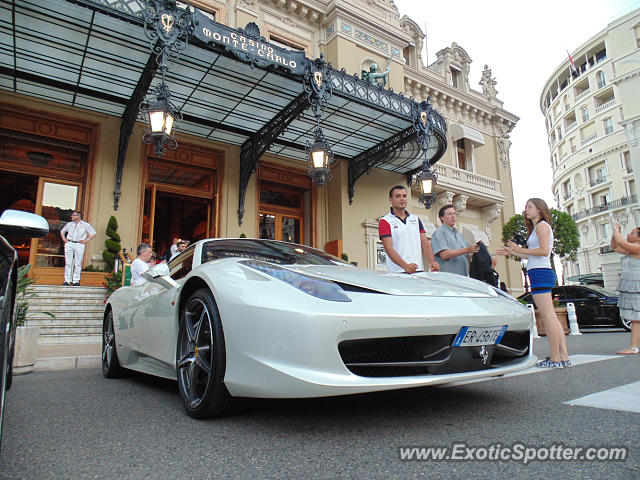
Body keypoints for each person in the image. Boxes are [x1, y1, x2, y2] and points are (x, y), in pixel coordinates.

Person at [497, 198, 571, 368]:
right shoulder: (538, 228)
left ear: (539, 209)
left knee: (548, 316)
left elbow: (544, 251)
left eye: (529, 207)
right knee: (551, 316)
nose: (526, 210)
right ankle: (563, 356)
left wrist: (518, 249)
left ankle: (555, 358)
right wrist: (512, 251)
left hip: (540, 273)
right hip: (540, 271)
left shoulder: (542, 227)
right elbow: (534, 255)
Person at [378, 185, 440, 274]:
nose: (402, 199)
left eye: (404, 196)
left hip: (418, 271)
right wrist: (405, 266)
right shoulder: (385, 221)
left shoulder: (415, 219)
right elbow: (388, 248)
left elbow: (424, 242)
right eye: (398, 196)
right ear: (390, 200)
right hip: (398, 272)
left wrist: (432, 262)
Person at [611, 223, 640, 354]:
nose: (629, 234)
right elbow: (615, 246)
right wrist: (614, 233)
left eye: (633, 233)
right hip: (632, 285)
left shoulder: (637, 248)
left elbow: (620, 241)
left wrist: (616, 230)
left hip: (636, 285)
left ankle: (633, 347)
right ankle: (633, 346)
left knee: (636, 317)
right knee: (636, 317)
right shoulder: (631, 249)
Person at [431, 204, 480, 276]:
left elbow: (469, 254)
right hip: (448, 278)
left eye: (454, 213)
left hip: (463, 277)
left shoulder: (459, 235)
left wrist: (477, 248)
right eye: (449, 214)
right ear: (442, 218)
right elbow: (444, 254)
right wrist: (466, 250)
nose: (453, 216)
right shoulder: (439, 233)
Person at [60, 211, 96, 286]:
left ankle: (76, 281)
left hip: (79, 244)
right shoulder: (69, 224)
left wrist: (86, 240)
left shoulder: (85, 225)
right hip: (69, 243)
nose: (71, 217)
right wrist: (64, 239)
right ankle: (67, 280)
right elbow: (62, 231)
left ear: (78, 216)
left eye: (73, 215)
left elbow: (93, 233)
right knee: (68, 263)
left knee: (78, 263)